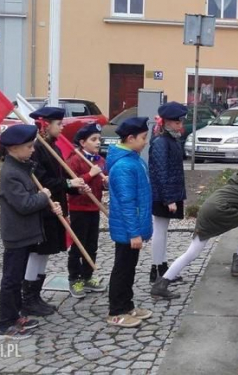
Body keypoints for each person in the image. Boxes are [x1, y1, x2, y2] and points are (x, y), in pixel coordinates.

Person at [151, 156, 238, 300]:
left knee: (195, 251)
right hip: (218, 212)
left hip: (210, 210)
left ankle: (161, 285)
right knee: (194, 252)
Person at [0, 124, 62, 340]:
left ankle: (16, 316)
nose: (32, 150)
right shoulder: (11, 173)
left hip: (26, 232)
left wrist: (47, 202)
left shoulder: (23, 167)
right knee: (12, 280)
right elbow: (24, 204)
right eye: (28, 147)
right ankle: (5, 324)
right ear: (14, 149)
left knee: (17, 278)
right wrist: (44, 196)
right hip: (17, 234)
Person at [23, 107, 88, 316]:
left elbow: (59, 180)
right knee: (37, 252)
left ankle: (36, 294)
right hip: (41, 209)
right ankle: (28, 297)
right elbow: (42, 181)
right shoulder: (36, 148)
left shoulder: (54, 147)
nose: (61, 128)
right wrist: (68, 182)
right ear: (45, 125)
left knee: (46, 252)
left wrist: (74, 185)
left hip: (55, 206)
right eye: (58, 124)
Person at [105, 117, 154, 327]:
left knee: (129, 267)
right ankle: (116, 311)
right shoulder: (125, 165)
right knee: (122, 269)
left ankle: (127, 305)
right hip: (127, 230)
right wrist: (134, 232)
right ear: (130, 138)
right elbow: (127, 202)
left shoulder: (134, 159)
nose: (145, 142)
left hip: (133, 228)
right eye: (143, 138)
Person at [148, 102, 188, 284]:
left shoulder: (170, 140)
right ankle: (157, 269)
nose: (181, 126)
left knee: (163, 231)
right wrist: (169, 199)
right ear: (168, 123)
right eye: (178, 122)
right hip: (163, 195)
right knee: (160, 230)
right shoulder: (161, 142)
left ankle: (162, 266)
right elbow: (161, 172)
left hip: (169, 193)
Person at [66, 123, 108, 298]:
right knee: (78, 245)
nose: (98, 142)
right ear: (83, 143)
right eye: (93, 139)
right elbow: (72, 182)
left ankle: (87, 276)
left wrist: (105, 182)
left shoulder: (100, 160)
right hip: (79, 208)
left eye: (99, 139)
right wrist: (90, 174)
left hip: (94, 207)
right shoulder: (74, 160)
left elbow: (99, 184)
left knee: (92, 244)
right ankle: (74, 279)